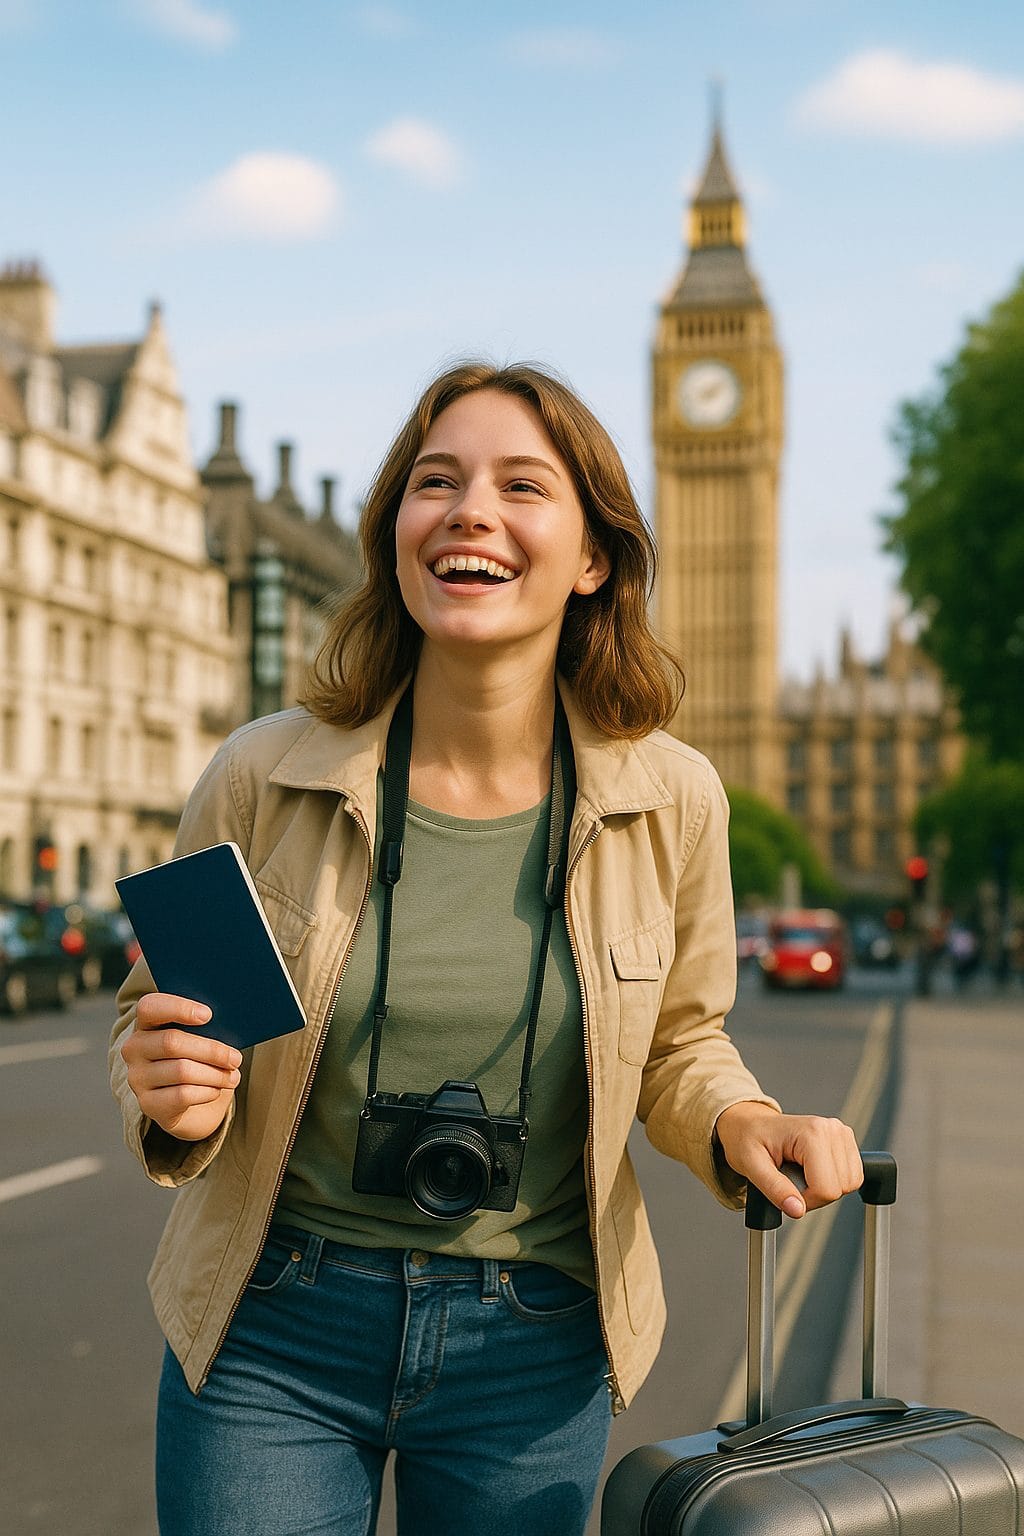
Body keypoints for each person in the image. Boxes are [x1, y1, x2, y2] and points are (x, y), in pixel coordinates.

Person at [110, 362, 863, 1536]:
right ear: (397, 533)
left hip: (536, 1340)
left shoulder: (673, 798)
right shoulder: (262, 776)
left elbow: (678, 1041)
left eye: (523, 486)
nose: (469, 511)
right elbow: (158, 1015)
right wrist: (168, 1096)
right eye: (435, 482)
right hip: (274, 1328)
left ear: (593, 557)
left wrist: (742, 1121)